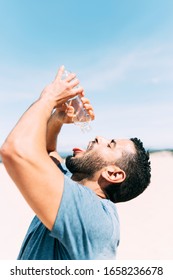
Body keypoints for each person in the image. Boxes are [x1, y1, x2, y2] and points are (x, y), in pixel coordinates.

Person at [0, 66, 151, 260]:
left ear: (113, 174)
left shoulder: (93, 215)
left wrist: (49, 98)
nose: (99, 137)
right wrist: (57, 119)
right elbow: (46, 153)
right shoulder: (74, 190)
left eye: (110, 144)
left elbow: (16, 150)